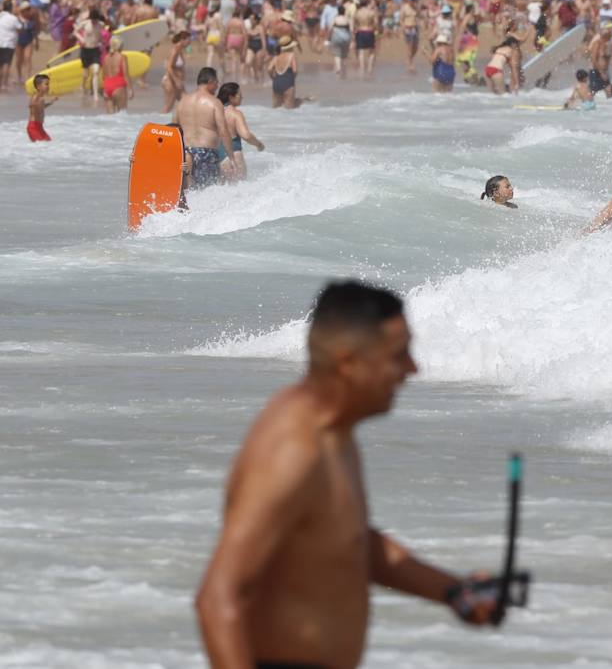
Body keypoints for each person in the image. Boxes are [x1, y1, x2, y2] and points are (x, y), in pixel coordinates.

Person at [196, 282, 499, 667]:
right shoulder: (293, 450)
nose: (412, 368)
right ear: (348, 363)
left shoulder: (334, 431)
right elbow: (217, 599)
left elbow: (349, 543)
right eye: (398, 354)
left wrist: (455, 591)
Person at [172, 67, 238, 189]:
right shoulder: (214, 102)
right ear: (210, 82)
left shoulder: (182, 102)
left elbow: (173, 130)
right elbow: (223, 131)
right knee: (207, 194)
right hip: (206, 154)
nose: (218, 86)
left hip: (185, 153)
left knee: (188, 194)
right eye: (217, 83)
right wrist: (232, 158)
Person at [217, 82, 265, 181]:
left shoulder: (215, 112)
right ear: (231, 97)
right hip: (233, 157)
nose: (242, 97)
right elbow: (246, 136)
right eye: (239, 94)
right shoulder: (235, 114)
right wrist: (259, 144)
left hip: (217, 158)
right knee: (239, 192)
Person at [269, 37, 306, 109]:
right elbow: (295, 70)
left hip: (276, 83)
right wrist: (291, 79)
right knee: (289, 110)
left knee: (276, 109)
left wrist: (273, 78)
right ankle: (302, 100)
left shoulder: (276, 57)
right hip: (288, 82)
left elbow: (269, 69)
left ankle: (302, 100)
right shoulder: (291, 55)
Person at [163, 31, 190, 113]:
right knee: (168, 106)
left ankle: (182, 123)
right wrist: (176, 80)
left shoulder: (179, 50)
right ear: (182, 40)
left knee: (187, 103)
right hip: (171, 82)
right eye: (188, 41)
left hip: (177, 83)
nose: (190, 43)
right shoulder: (174, 50)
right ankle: (159, 124)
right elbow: (169, 67)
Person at [101, 36, 130, 113]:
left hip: (107, 86)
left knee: (110, 120)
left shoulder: (106, 58)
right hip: (118, 86)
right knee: (122, 115)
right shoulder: (122, 57)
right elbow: (126, 74)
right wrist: (130, 89)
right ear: (120, 46)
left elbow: (103, 76)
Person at [27, 73, 55, 142]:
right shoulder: (36, 97)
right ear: (38, 86)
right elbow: (32, 105)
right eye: (46, 84)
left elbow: (41, 107)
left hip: (39, 127)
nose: (48, 86)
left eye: (48, 84)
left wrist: (51, 102)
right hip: (33, 127)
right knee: (41, 146)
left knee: (48, 142)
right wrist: (33, 105)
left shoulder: (41, 98)